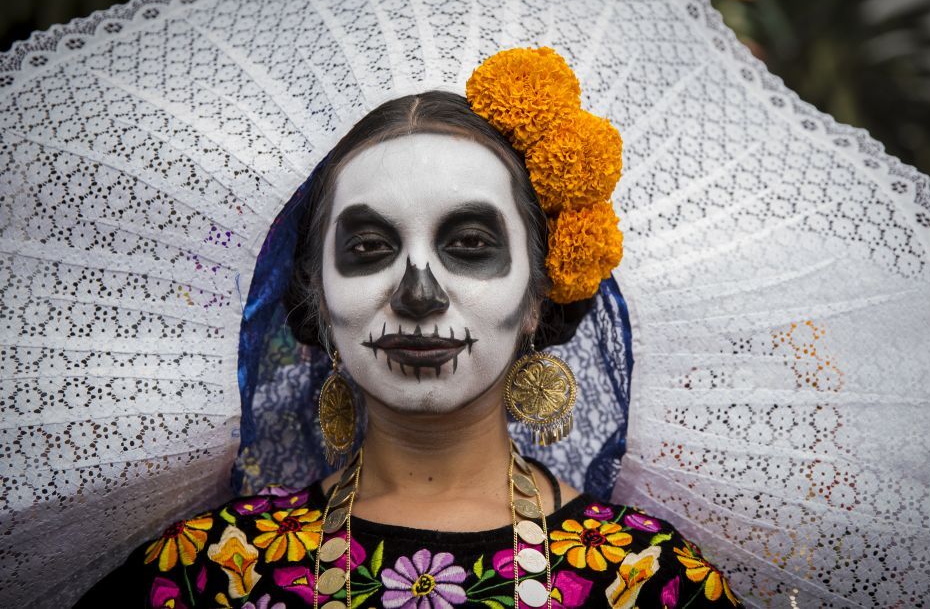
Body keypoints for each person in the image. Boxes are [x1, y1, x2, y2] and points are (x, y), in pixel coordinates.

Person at [76, 53, 744, 608]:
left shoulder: (648, 582)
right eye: (368, 248)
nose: (418, 293)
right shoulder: (208, 574)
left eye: (471, 242)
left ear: (538, 298)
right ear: (316, 298)